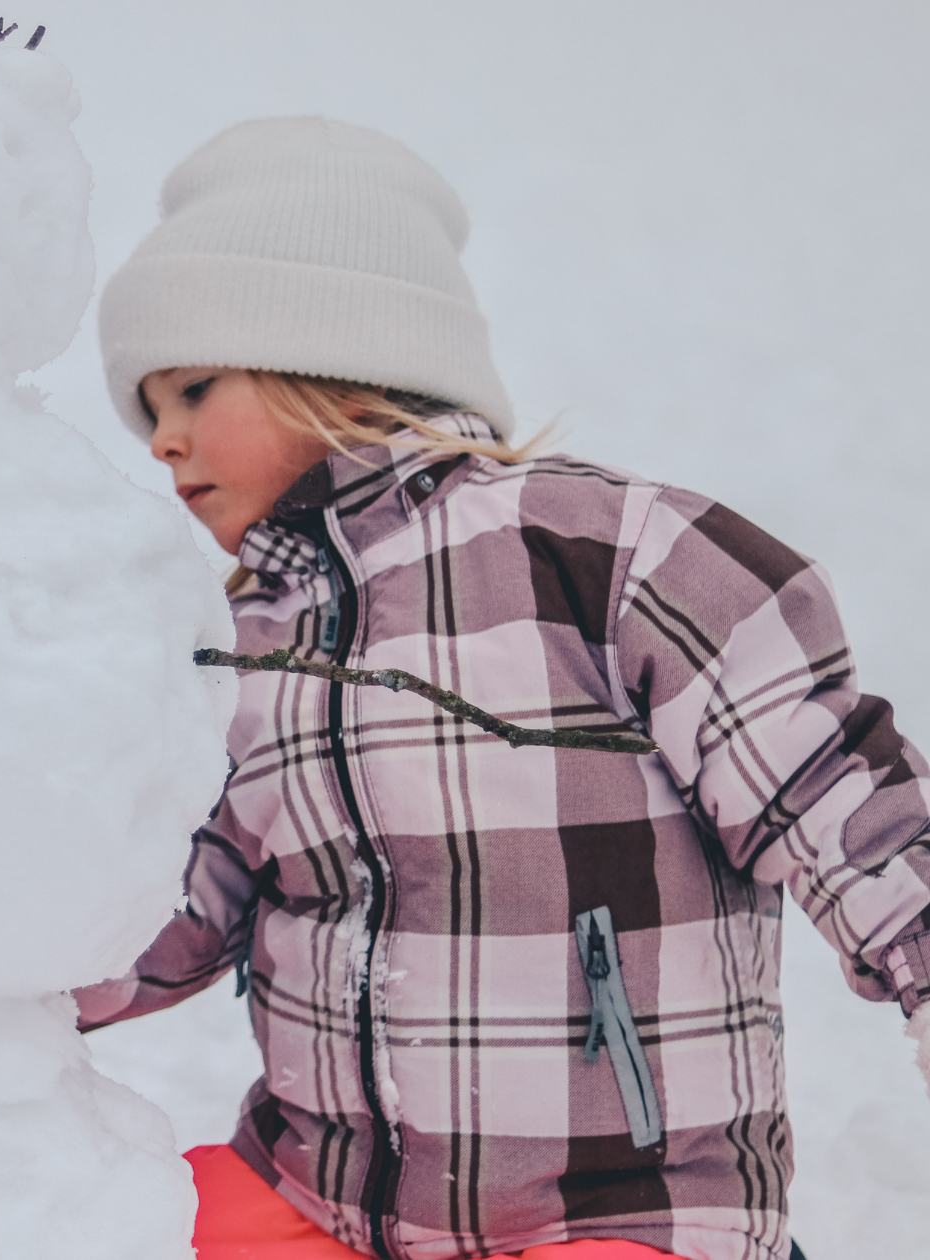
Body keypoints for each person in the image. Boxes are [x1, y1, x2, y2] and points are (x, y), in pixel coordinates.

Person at [80, 116, 930, 1260]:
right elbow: (170, 911)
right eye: (146, 411)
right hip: (314, 1205)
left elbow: (831, 796)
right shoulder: (239, 645)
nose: (159, 443)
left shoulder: (606, 556)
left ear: (326, 353)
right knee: (97, 1214)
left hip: (614, 1214)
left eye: (188, 390)